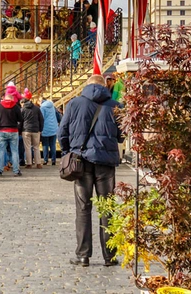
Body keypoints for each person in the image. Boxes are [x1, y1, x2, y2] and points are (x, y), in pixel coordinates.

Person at [58, 75, 124, 267]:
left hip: (81, 161)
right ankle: (109, 256)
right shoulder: (115, 105)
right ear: (106, 86)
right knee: (107, 208)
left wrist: (68, 152)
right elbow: (121, 136)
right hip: (106, 163)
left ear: (86, 86)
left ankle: (83, 255)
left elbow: (63, 132)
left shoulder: (74, 104)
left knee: (83, 208)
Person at [0, 86, 23, 177]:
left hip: (2, 130)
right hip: (13, 130)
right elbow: (20, 119)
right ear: (12, 98)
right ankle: (16, 170)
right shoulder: (16, 106)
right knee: (14, 151)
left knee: (1, 151)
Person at [20, 89, 44, 169]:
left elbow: (21, 120)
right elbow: (41, 119)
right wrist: (40, 129)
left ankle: (29, 163)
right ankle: (38, 163)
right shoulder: (37, 108)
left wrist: (20, 130)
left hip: (26, 129)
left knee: (27, 147)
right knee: (36, 147)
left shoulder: (23, 109)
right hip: (36, 130)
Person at [40, 96, 60, 166]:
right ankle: (53, 160)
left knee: (45, 145)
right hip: (54, 128)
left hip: (45, 128)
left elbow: (41, 118)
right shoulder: (52, 107)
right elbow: (58, 115)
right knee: (53, 145)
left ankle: (45, 160)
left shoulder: (42, 108)